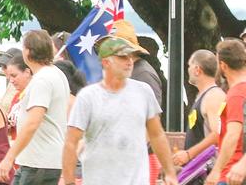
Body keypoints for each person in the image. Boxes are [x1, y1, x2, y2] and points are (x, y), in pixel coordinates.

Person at [62, 36, 178, 185]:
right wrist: (69, 181)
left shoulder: (144, 91)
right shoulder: (88, 97)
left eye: (130, 56)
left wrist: (169, 172)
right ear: (106, 62)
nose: (129, 61)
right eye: (122, 57)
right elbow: (71, 142)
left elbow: (157, 134)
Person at [0, 30, 69, 185]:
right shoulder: (56, 73)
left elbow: (33, 122)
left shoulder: (42, 79)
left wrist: (9, 157)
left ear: (28, 51)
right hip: (35, 161)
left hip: (39, 163)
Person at [172, 49, 225, 176]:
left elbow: (217, 134)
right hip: (198, 170)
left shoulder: (214, 96)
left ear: (197, 70)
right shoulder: (203, 95)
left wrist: (189, 154)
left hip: (208, 171)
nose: (188, 69)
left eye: (189, 66)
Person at [207, 39, 246, 185]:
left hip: (232, 172)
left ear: (223, 66)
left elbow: (233, 135)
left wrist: (216, 170)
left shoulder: (236, 94)